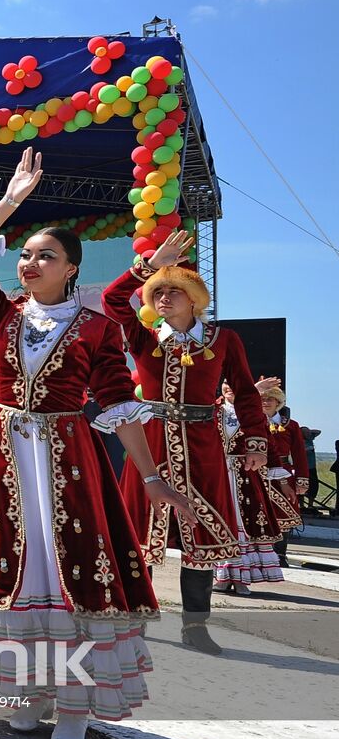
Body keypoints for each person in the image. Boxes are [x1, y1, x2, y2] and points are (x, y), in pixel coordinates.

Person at [0, 147, 188, 739]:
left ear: (71, 268)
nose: (29, 263)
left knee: (68, 566)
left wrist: (150, 476)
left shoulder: (98, 326)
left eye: (44, 256)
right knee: (16, 572)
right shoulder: (0, 314)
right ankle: (28, 694)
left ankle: (74, 706)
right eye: (24, 255)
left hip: (67, 460)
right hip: (5, 457)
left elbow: (120, 405)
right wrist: (13, 199)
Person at [100, 231, 264, 655]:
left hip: (203, 446)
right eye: (159, 292)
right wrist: (149, 265)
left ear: (195, 300)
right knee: (140, 538)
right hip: (149, 444)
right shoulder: (145, 340)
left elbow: (245, 393)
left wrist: (256, 441)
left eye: (175, 291)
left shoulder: (223, 340)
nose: (165, 297)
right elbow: (113, 302)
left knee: (203, 541)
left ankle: (195, 628)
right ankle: (134, 621)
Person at [214, 380, 297, 593]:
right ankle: (222, 576)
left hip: (246, 477)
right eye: (226, 383)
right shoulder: (213, 409)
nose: (229, 387)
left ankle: (242, 577)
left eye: (235, 383)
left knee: (244, 525)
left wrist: (283, 481)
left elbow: (268, 444)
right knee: (220, 522)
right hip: (218, 475)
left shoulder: (253, 414)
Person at [259, 384, 307, 567]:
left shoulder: (291, 425)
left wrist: (302, 481)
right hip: (256, 471)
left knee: (284, 514)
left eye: (270, 399)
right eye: (262, 399)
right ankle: (257, 554)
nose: (265, 402)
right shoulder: (251, 422)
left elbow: (300, 455)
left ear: (278, 402)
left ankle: (279, 555)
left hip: (283, 473)